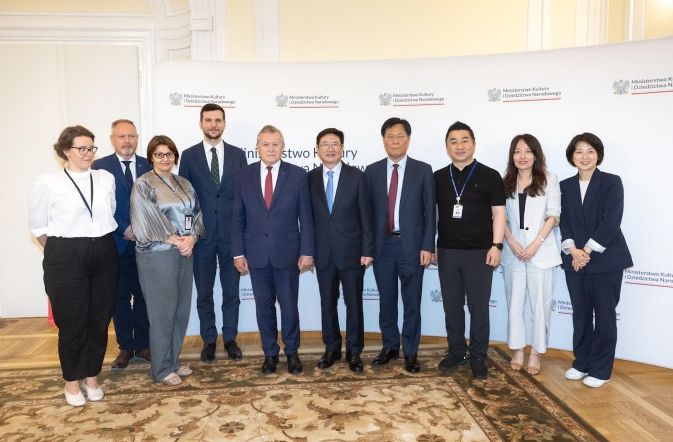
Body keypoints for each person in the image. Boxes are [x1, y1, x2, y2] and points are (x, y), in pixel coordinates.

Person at [29, 125, 118, 406]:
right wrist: (64, 251)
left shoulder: (105, 179)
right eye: (82, 148)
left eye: (91, 148)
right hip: (65, 254)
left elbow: (110, 212)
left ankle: (92, 377)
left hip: (103, 250)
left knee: (99, 320)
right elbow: (38, 228)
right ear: (66, 151)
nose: (88, 153)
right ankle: (71, 382)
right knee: (72, 322)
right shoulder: (48, 182)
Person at [231, 125, 314, 375]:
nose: (270, 149)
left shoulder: (298, 175)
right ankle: (270, 353)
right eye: (265, 144)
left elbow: (306, 218)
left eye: (275, 144)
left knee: (289, 307)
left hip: (288, 253)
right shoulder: (243, 175)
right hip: (255, 254)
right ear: (257, 147)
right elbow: (237, 217)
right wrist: (238, 252)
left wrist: (307, 251)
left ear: (283, 147)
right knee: (263, 308)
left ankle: (292, 352)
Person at [559, 132, 632, 388]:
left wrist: (586, 251)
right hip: (574, 260)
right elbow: (564, 221)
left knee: (604, 316)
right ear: (572, 156)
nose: (585, 156)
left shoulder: (611, 182)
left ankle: (601, 370)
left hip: (605, 260)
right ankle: (581, 363)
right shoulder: (564, 186)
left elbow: (611, 222)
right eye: (579, 151)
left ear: (598, 155)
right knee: (580, 315)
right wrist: (573, 251)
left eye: (590, 151)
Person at [130, 135, 205, 385]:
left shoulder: (184, 183)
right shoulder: (143, 184)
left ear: (175, 157)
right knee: (162, 312)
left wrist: (192, 238)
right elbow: (145, 220)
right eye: (159, 154)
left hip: (184, 252)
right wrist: (175, 239)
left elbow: (195, 213)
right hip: (157, 254)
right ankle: (161, 368)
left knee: (180, 310)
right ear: (151, 157)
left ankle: (172, 360)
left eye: (169, 154)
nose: (165, 158)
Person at [434, 121, 506, 379]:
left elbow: (499, 213)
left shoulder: (490, 175)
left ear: (474, 144)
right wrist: (431, 244)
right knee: (452, 306)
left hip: (480, 252)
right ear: (447, 147)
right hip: (447, 252)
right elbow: (433, 214)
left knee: (478, 307)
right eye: (453, 141)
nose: (459, 146)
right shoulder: (438, 177)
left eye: (464, 140)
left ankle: (477, 355)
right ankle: (456, 351)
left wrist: (496, 245)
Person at [364, 117, 435, 373]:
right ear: (383, 140)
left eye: (400, 136)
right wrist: (367, 248)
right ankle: (390, 346)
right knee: (386, 302)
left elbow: (430, 211)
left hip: (412, 247)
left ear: (408, 139)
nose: (395, 141)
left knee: (412, 302)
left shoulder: (423, 170)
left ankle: (411, 351)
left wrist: (428, 246)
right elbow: (367, 215)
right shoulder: (371, 171)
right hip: (382, 247)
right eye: (390, 137)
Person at [179, 103, 247, 363]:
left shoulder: (238, 155)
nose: (213, 125)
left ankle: (230, 339)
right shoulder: (189, 156)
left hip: (231, 237)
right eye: (208, 120)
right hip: (201, 238)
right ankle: (209, 340)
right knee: (204, 293)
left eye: (218, 120)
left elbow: (244, 198)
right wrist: (189, 234)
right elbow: (184, 200)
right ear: (201, 124)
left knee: (231, 293)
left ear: (224, 124)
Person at [308, 128, 374, 373]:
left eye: (335, 143)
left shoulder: (357, 177)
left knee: (353, 305)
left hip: (352, 253)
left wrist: (367, 249)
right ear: (317, 149)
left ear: (342, 148)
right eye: (324, 144)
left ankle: (354, 352)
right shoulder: (310, 178)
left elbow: (367, 216)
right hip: (323, 253)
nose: (330, 148)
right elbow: (307, 219)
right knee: (327, 304)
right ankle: (332, 348)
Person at [93, 119, 151, 370]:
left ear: (137, 138)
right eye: (121, 136)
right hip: (117, 244)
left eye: (131, 136)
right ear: (112, 139)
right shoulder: (99, 167)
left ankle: (144, 345)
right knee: (120, 298)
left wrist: (144, 230)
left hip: (146, 244)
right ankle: (126, 347)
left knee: (144, 296)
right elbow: (98, 207)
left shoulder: (149, 164)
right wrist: (124, 228)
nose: (127, 141)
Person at [501, 134, 561, 375]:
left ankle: (535, 352)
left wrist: (536, 243)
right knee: (514, 303)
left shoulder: (549, 179)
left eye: (527, 151)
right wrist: (511, 241)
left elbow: (553, 215)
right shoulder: (505, 181)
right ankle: (517, 350)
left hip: (541, 252)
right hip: (513, 252)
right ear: (512, 156)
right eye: (517, 151)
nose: (522, 156)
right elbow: (500, 216)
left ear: (536, 154)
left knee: (540, 305)